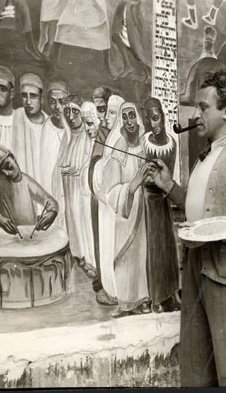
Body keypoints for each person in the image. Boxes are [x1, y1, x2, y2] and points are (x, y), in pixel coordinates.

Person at [146, 71, 226, 387]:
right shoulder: (205, 156)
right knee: (196, 370)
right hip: (195, 269)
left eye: (203, 107)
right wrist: (168, 185)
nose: (195, 114)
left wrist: (212, 232)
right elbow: (199, 206)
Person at [103, 102, 151, 318]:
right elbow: (111, 191)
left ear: (138, 118)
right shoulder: (118, 149)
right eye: (125, 117)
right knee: (125, 258)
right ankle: (126, 303)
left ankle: (144, 299)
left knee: (144, 256)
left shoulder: (147, 144)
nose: (129, 121)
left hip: (147, 211)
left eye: (132, 115)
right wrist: (132, 186)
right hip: (126, 214)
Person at [141, 97, 180, 312]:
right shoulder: (145, 141)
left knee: (168, 248)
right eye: (149, 120)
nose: (153, 124)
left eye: (156, 118)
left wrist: (163, 181)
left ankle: (171, 292)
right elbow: (143, 175)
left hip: (163, 199)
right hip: (148, 201)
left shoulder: (172, 143)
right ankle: (156, 297)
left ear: (163, 118)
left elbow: (169, 174)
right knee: (153, 249)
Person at [87, 95, 124, 305]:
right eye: (106, 112)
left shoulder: (118, 137)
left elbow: (112, 172)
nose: (107, 118)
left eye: (112, 112)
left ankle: (115, 291)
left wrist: (100, 168)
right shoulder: (109, 137)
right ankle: (110, 289)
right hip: (104, 204)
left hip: (112, 205)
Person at [0, 143, 58, 234]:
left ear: (13, 158)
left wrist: (51, 213)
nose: (7, 173)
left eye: (8, 166)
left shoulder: (27, 181)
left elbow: (50, 201)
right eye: (1, 172)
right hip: (9, 235)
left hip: (30, 233)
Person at [58, 96, 96, 278]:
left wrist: (78, 171)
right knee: (72, 218)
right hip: (68, 186)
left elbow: (89, 162)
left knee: (84, 219)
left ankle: (90, 259)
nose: (71, 116)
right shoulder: (68, 136)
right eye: (67, 112)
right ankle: (78, 254)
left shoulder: (88, 136)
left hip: (83, 190)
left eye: (75, 111)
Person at [12, 73, 47, 184]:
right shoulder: (16, 116)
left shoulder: (49, 124)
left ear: (41, 99)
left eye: (33, 96)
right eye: (24, 95)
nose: (28, 102)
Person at [40, 80, 69, 195]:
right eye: (52, 101)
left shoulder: (75, 127)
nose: (57, 107)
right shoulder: (45, 128)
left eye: (62, 101)